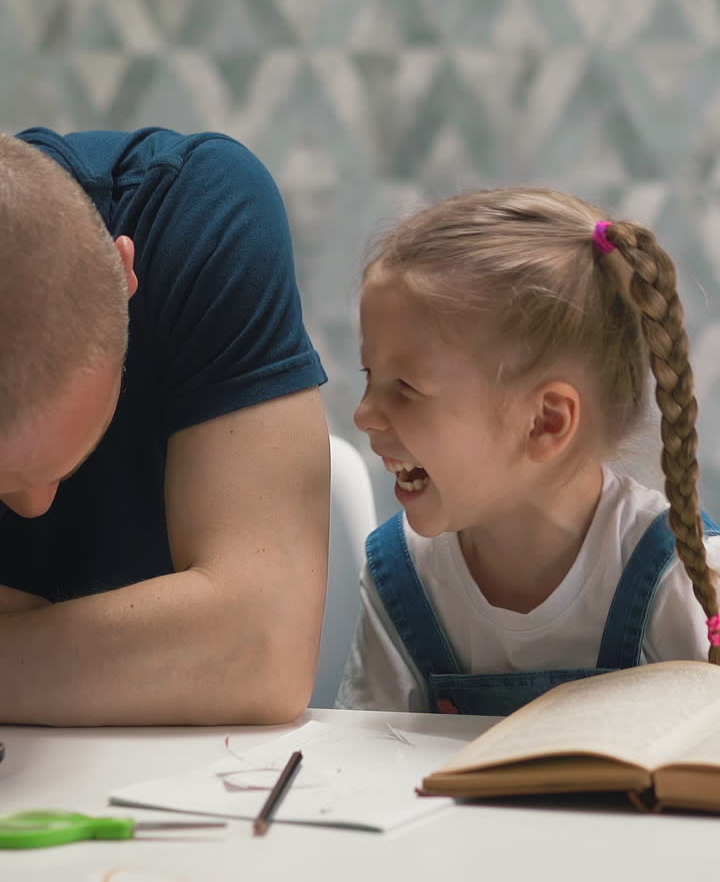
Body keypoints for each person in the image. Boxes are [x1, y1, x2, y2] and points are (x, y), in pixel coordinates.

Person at [337, 189, 720, 714]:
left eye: (404, 387)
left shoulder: (676, 577)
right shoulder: (402, 576)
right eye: (369, 377)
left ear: (545, 422)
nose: (364, 415)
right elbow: (362, 765)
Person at [0, 127, 330, 726]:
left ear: (125, 274)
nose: (33, 506)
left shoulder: (193, 209)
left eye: (56, 464)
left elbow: (261, 648)